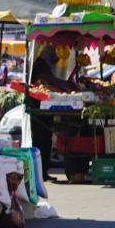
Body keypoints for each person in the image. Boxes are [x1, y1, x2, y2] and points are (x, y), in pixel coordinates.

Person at [30, 45, 78, 182]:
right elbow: (47, 82)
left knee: (46, 140)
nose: (56, 61)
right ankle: (40, 173)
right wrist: (64, 87)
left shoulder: (45, 66)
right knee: (41, 141)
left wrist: (66, 86)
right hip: (39, 110)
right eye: (55, 58)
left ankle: (43, 171)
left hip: (44, 110)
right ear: (49, 56)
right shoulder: (41, 66)